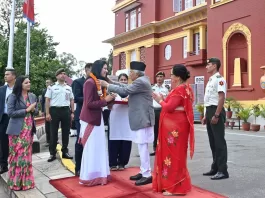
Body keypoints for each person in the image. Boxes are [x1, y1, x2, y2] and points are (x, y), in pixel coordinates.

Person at [100, 61, 155, 186]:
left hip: (143, 118)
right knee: (142, 146)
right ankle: (143, 171)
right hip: (141, 118)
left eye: (131, 72)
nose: (129, 74)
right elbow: (124, 86)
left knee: (143, 147)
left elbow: (125, 91)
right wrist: (110, 81)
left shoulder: (141, 82)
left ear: (136, 73)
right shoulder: (141, 81)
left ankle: (147, 174)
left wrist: (107, 85)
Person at [152, 64, 194, 196]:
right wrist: (164, 99)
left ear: (177, 76)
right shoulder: (186, 88)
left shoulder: (180, 89)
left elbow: (169, 107)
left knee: (172, 155)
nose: (170, 76)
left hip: (175, 129)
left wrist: (160, 100)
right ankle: (175, 184)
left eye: (171, 74)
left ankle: (173, 186)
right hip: (177, 127)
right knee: (177, 155)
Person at [79, 60, 116, 186]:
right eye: (105, 68)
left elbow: (101, 100)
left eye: (107, 68)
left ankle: (99, 174)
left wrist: (110, 99)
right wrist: (106, 100)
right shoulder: (90, 82)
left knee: (98, 147)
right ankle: (89, 176)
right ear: (99, 68)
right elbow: (89, 104)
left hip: (97, 118)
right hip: (91, 120)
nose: (106, 70)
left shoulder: (99, 83)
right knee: (92, 148)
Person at [6, 76, 38, 190]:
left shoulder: (32, 96)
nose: (29, 84)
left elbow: (36, 111)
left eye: (29, 82)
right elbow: (10, 113)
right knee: (17, 156)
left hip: (29, 129)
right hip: (16, 131)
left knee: (26, 156)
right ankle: (15, 183)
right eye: (26, 82)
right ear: (21, 84)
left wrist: (33, 110)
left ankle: (26, 183)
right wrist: (26, 110)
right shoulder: (13, 96)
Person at [202, 58, 229, 180]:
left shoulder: (220, 80)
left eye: (208, 65)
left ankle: (223, 170)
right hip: (209, 111)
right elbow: (208, 99)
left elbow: (221, 98)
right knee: (213, 142)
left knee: (219, 142)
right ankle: (215, 167)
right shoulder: (211, 80)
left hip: (215, 110)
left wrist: (217, 115)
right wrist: (205, 115)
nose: (206, 67)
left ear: (214, 66)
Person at [45, 68, 74, 162]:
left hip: (66, 110)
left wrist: (72, 112)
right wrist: (47, 113)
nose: (63, 75)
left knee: (66, 132)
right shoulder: (51, 87)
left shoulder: (68, 87)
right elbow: (47, 100)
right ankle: (52, 153)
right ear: (57, 76)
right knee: (53, 133)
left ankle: (65, 151)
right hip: (54, 111)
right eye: (61, 74)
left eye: (64, 74)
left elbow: (71, 100)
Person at [108, 73, 133, 171]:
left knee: (126, 139)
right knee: (114, 139)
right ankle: (113, 163)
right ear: (118, 81)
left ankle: (122, 162)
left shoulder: (131, 91)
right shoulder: (112, 90)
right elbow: (107, 102)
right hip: (115, 117)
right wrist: (110, 102)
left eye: (125, 79)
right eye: (121, 80)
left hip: (126, 118)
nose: (123, 81)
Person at [71, 63, 92, 176]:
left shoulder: (96, 82)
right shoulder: (78, 82)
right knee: (80, 140)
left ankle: (89, 165)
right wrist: (91, 98)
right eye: (91, 71)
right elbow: (77, 98)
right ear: (86, 70)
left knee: (90, 142)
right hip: (81, 116)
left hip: (92, 115)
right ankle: (78, 167)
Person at [0, 69, 16, 174]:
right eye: (5, 74)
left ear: (14, 76)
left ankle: (15, 164)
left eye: (7, 74)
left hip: (15, 118)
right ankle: (3, 165)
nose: (5, 76)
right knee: (3, 142)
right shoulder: (1, 89)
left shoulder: (19, 89)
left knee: (15, 141)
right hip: (4, 118)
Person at [150, 71, 169, 156]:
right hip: (154, 110)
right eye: (158, 77)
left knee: (163, 130)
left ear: (164, 78)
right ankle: (155, 148)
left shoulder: (167, 88)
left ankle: (164, 148)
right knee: (155, 130)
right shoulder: (152, 88)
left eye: (161, 76)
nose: (159, 78)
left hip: (163, 110)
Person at [41, 78, 53, 147]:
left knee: (54, 125)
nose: (47, 84)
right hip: (46, 110)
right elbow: (42, 101)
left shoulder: (54, 90)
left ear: (51, 83)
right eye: (46, 82)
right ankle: (48, 140)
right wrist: (43, 111)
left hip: (53, 110)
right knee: (47, 126)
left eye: (48, 82)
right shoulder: (44, 91)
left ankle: (54, 139)